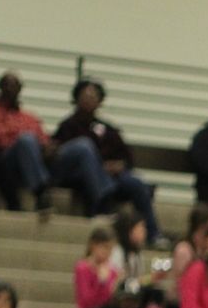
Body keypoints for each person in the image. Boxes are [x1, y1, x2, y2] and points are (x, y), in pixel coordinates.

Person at [0, 71, 111, 215]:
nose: (11, 89)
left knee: (83, 145)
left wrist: (49, 147)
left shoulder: (29, 117)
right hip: (10, 165)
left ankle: (103, 199)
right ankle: (41, 194)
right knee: (26, 140)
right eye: (7, 85)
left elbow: (44, 140)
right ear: (0, 87)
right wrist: (32, 146)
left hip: (38, 163)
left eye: (15, 85)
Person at [54, 79, 159, 239]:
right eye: (85, 96)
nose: (89, 100)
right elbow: (61, 158)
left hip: (111, 177)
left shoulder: (108, 129)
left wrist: (119, 165)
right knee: (86, 150)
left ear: (100, 101)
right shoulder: (67, 127)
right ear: (76, 98)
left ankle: (153, 234)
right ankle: (103, 205)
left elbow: (127, 158)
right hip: (81, 179)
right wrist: (98, 168)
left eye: (93, 96)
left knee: (136, 184)